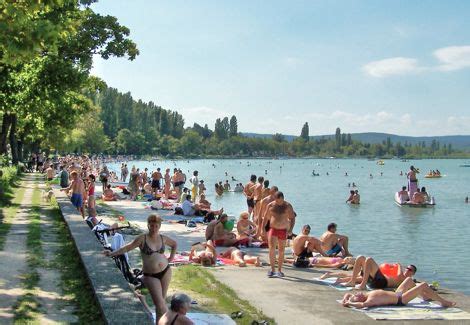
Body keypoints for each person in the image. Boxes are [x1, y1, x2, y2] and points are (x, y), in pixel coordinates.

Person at [104, 214, 177, 322]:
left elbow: (174, 244)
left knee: (161, 303)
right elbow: (127, 247)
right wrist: (112, 254)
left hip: (166, 271)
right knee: (161, 304)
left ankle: (159, 322)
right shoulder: (142, 238)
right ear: (148, 225)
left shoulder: (163, 238)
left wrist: (171, 258)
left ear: (159, 226)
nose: (154, 228)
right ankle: (172, 321)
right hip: (151, 276)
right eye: (152, 226)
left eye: (156, 226)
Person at [341, 277, 456, 309]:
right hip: (401, 299)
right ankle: (443, 302)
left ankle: (425, 297)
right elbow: (362, 305)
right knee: (423, 285)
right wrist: (351, 303)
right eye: (357, 296)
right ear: (361, 300)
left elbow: (348, 295)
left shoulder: (365, 295)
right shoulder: (370, 300)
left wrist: (346, 300)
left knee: (409, 280)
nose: (357, 294)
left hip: (397, 293)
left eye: (356, 295)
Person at [266, 191, 295, 277]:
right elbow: (266, 218)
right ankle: (272, 269)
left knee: (281, 250)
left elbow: (292, 218)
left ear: (283, 198)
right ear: (275, 199)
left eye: (280, 200)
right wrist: (262, 230)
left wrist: (291, 230)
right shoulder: (271, 205)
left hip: (283, 230)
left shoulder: (288, 206)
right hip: (273, 229)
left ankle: (279, 270)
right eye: (277, 201)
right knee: (271, 249)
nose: (279, 202)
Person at [343, 256, 416, 290]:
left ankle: (363, 285)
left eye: (410, 270)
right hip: (375, 280)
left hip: (381, 282)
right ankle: (352, 281)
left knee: (369, 259)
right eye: (407, 268)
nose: (407, 270)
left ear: (413, 273)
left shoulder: (407, 279)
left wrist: (399, 265)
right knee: (360, 258)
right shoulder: (400, 273)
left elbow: (399, 276)